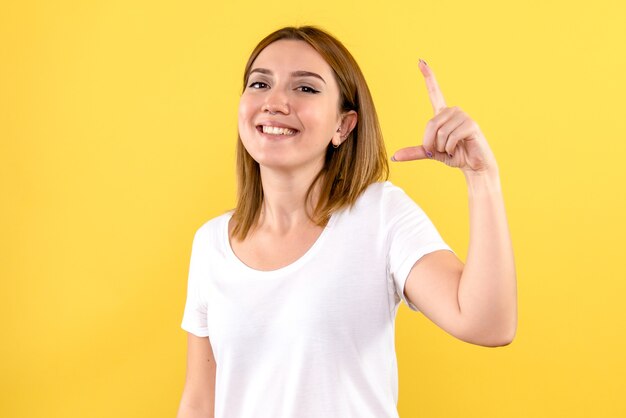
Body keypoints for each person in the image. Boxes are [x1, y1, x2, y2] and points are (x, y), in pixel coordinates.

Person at [176, 26, 517, 418]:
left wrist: (481, 177)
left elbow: (488, 325)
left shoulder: (380, 215)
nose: (274, 102)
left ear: (344, 125)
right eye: (259, 83)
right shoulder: (210, 244)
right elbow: (200, 400)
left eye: (305, 88)